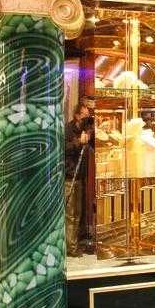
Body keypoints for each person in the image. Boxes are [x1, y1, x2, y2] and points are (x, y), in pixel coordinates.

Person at [64, 101, 93, 257]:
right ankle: (71, 247)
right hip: (69, 177)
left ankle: (73, 243)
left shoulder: (85, 130)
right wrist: (78, 143)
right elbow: (63, 148)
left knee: (78, 214)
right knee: (70, 214)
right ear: (76, 116)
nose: (86, 119)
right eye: (84, 116)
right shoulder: (67, 130)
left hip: (80, 176)